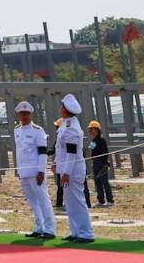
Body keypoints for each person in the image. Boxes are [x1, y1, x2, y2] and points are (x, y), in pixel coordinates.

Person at [13, 101, 55, 239]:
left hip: (35, 172)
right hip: (24, 172)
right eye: (22, 114)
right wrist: (18, 170)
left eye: (27, 114)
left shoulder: (38, 130)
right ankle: (39, 227)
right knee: (33, 202)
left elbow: (42, 152)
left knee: (43, 200)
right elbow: (19, 152)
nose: (24, 116)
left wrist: (41, 171)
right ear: (18, 115)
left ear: (31, 115)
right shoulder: (17, 130)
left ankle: (49, 229)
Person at [55, 95, 94, 243]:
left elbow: (71, 153)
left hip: (73, 170)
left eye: (62, 107)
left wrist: (66, 172)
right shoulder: (67, 124)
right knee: (70, 203)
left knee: (78, 201)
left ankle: (86, 233)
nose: (61, 109)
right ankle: (76, 231)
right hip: (67, 169)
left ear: (65, 110)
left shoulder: (71, 128)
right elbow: (61, 150)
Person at [88, 120, 114, 206]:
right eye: (90, 129)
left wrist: (104, 164)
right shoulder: (93, 140)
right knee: (97, 182)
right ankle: (101, 200)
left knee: (104, 182)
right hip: (95, 163)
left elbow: (105, 153)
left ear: (97, 130)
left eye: (92, 129)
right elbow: (92, 152)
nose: (91, 131)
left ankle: (110, 200)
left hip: (102, 164)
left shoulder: (102, 140)